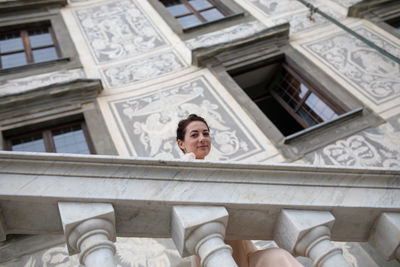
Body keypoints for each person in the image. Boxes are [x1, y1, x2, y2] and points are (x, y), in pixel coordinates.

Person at [176, 114, 303, 267]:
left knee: (279, 257)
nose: (202, 138)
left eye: (206, 133)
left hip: (245, 253)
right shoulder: (185, 168)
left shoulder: (219, 173)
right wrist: (188, 160)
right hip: (212, 252)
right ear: (181, 144)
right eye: (194, 135)